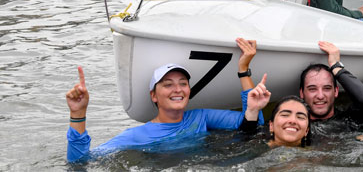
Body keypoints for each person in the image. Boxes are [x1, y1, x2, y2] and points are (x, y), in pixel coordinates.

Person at [66, 58, 268, 162]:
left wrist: (243, 70)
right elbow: (82, 162)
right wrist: (78, 114)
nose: (178, 89)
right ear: (154, 95)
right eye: (168, 84)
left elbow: (253, 121)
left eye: (183, 83)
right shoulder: (137, 136)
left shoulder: (201, 117)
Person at [298, 41, 363, 128]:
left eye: (327, 88)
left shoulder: (349, 120)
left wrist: (336, 66)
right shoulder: (296, 124)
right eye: (312, 89)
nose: (320, 96)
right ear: (302, 93)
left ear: (336, 91)